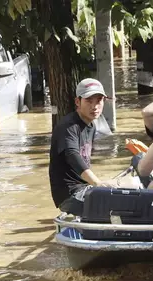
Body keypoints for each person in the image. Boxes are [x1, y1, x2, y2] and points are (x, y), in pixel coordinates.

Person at [48, 78, 115, 215]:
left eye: (99, 100)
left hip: (85, 188)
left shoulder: (91, 125)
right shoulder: (68, 126)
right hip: (70, 196)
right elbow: (72, 155)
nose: (94, 106)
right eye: (89, 101)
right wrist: (97, 183)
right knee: (118, 207)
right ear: (78, 102)